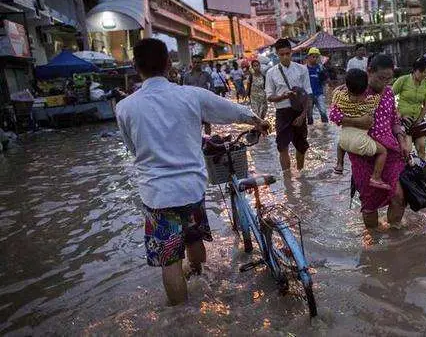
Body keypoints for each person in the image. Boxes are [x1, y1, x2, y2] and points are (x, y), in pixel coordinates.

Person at [115, 38, 268, 305]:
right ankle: (199, 282)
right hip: (191, 187)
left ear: (135, 67)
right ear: (168, 64)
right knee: (194, 237)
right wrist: (258, 120)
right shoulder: (190, 95)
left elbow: (132, 149)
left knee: (170, 262)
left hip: (157, 195)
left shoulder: (125, 107)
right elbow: (230, 110)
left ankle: (181, 319)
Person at [329, 54, 411, 229]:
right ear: (369, 72)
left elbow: (394, 120)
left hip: (389, 151)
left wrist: (402, 141)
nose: (385, 83)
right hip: (362, 152)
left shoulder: (388, 93)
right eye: (381, 78)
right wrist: (358, 122)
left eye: (389, 79)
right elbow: (335, 117)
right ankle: (373, 241)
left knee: (399, 196)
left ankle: (394, 236)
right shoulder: (353, 90)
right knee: (370, 202)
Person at [332, 69, 390, 190]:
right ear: (365, 88)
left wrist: (342, 87)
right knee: (383, 152)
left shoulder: (340, 98)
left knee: (340, 143)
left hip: (344, 140)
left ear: (347, 86)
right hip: (359, 141)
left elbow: (335, 94)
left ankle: (339, 164)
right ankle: (376, 177)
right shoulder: (369, 102)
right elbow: (380, 95)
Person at [265, 38, 312, 171]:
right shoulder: (271, 73)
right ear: (277, 54)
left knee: (301, 146)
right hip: (282, 113)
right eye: (282, 54)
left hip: (299, 112)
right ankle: (287, 178)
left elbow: (308, 94)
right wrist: (282, 96)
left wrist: (303, 116)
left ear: (291, 52)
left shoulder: (302, 69)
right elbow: (269, 97)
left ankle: (300, 172)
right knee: (282, 146)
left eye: (287, 53)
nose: (285, 57)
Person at [392, 57, 426, 159]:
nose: (424, 74)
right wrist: (397, 113)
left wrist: (419, 119)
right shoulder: (403, 80)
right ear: (415, 70)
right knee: (407, 149)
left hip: (418, 120)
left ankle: (422, 172)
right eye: (422, 71)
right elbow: (389, 97)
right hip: (403, 120)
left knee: (422, 148)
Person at [184, 55, 213, 135]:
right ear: (192, 63)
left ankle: (208, 141)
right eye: (195, 62)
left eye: (198, 62)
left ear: (202, 63)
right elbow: (183, 91)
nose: (196, 64)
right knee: (195, 125)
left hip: (205, 103)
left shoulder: (206, 74)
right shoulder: (186, 76)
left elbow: (212, 87)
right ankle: (197, 143)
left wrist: (210, 98)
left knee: (207, 123)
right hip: (192, 104)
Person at [305, 47, 329, 124]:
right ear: (308, 57)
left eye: (317, 57)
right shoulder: (304, 68)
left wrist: (323, 74)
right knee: (309, 115)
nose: (315, 58)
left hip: (319, 93)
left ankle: (326, 130)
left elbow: (326, 81)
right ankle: (311, 131)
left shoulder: (321, 67)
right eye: (313, 56)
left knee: (323, 112)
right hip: (308, 95)